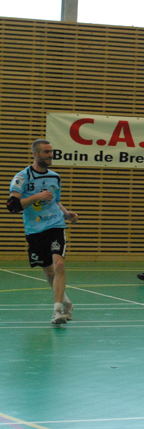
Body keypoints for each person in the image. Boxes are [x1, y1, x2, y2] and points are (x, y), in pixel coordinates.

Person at [7, 139, 79, 325]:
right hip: (34, 229)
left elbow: (55, 201)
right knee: (49, 273)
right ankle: (67, 303)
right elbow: (13, 206)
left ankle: (57, 311)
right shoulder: (22, 177)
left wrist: (66, 214)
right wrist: (36, 197)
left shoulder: (55, 177)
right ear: (35, 154)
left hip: (55, 225)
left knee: (59, 264)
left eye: (51, 152)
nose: (50, 155)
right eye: (46, 152)